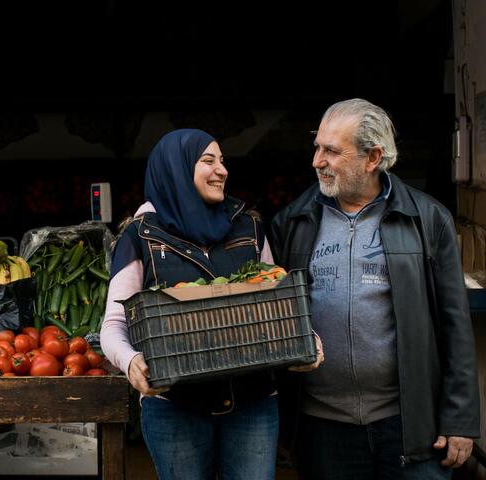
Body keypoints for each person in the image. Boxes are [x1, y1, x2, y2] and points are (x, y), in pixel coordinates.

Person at [270, 98, 480, 480]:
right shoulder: (294, 221)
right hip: (322, 427)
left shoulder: (427, 219)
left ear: (373, 158)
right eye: (317, 146)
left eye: (331, 150)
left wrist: (461, 419)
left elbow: (455, 325)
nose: (317, 160)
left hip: (410, 423)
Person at [101, 129, 321, 480]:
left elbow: (275, 298)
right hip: (175, 407)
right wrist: (131, 363)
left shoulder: (247, 226)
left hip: (253, 401)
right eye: (208, 161)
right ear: (176, 169)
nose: (222, 170)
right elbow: (113, 325)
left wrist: (304, 336)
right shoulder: (140, 236)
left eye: (222, 161)